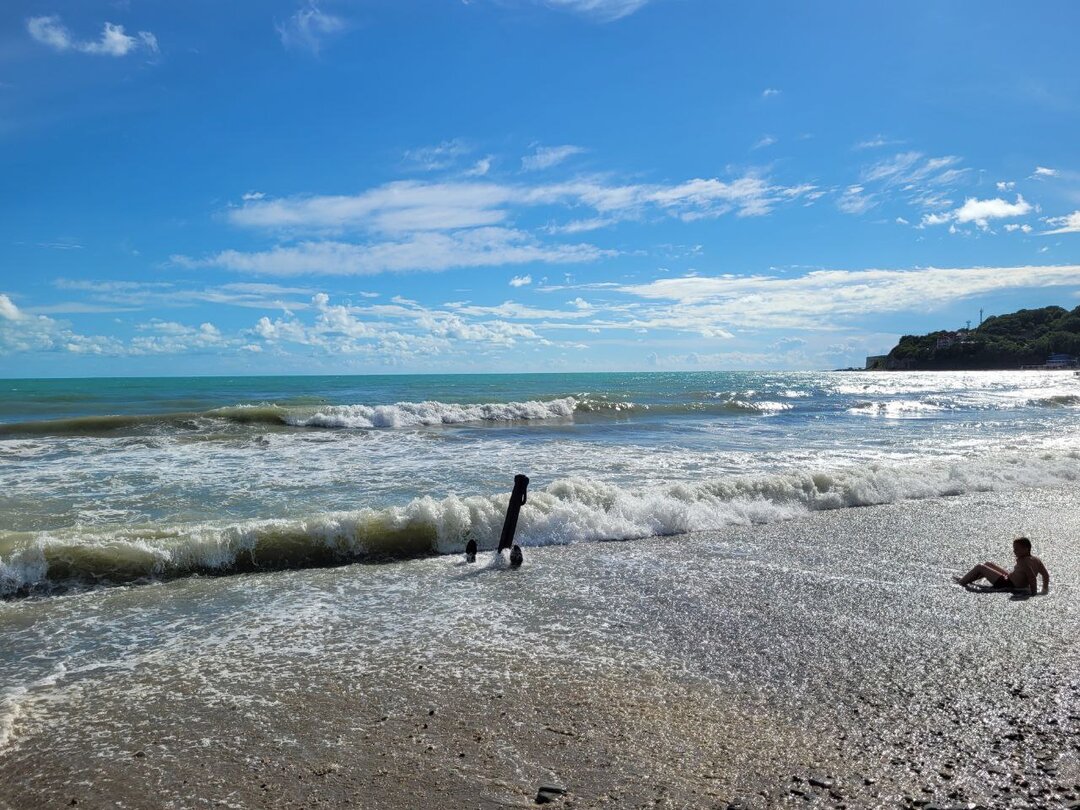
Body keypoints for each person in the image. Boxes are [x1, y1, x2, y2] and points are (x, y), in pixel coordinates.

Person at [954, 537, 1049, 595]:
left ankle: (961, 582)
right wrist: (1044, 589)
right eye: (1014, 549)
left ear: (1026, 549)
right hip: (1009, 579)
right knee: (988, 564)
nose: (1014, 551)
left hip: (1007, 584)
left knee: (980, 567)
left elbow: (1032, 577)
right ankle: (969, 579)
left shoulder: (1024, 561)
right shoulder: (1036, 560)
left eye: (1017, 549)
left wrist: (1033, 593)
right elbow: (1046, 575)